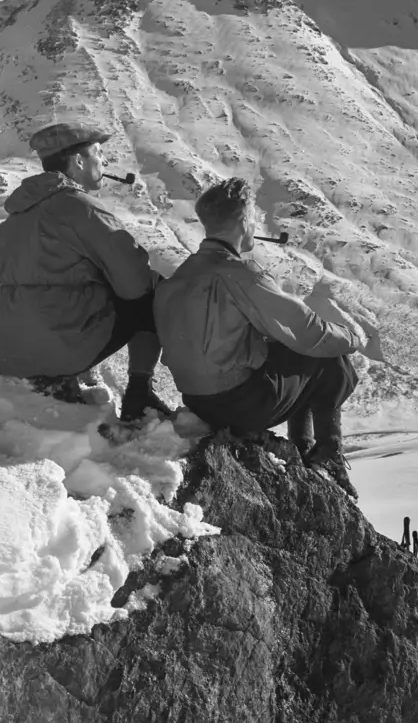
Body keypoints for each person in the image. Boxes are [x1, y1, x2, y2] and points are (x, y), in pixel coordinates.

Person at [153, 177, 368, 498]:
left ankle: (308, 448)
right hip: (238, 404)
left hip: (198, 401)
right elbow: (307, 331)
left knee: (290, 350)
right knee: (331, 357)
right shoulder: (239, 273)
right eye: (253, 217)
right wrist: (353, 337)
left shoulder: (180, 276)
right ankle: (325, 453)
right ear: (243, 221)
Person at [0, 122, 173, 423]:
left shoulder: (11, 222)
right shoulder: (81, 208)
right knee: (153, 286)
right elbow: (136, 284)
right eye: (99, 153)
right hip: (57, 350)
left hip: (6, 353)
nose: (106, 161)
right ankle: (140, 392)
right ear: (79, 161)